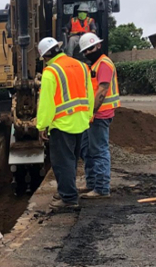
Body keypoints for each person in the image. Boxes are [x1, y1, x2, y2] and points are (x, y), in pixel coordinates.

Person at [36, 37, 94, 210]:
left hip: (62, 124)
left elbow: (47, 103)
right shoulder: (82, 66)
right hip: (81, 121)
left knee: (63, 163)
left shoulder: (51, 72)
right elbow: (89, 93)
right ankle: (67, 191)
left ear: (45, 56)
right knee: (72, 160)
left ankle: (68, 198)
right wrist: (88, 115)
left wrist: (42, 126)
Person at [78, 33, 120, 199]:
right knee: (87, 150)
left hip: (100, 114)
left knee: (99, 150)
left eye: (91, 48)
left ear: (99, 46)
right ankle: (91, 183)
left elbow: (102, 91)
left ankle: (101, 188)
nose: (88, 52)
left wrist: (92, 112)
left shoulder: (103, 64)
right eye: (86, 50)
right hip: (93, 115)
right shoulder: (94, 65)